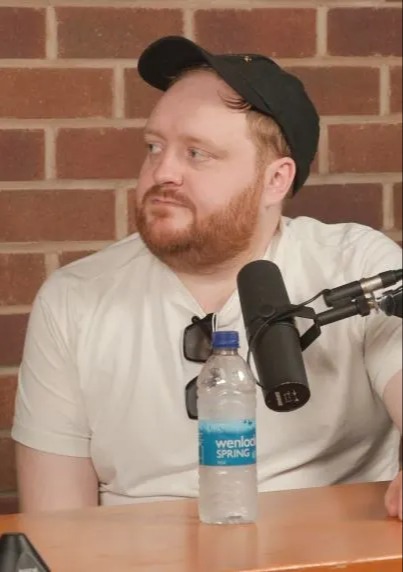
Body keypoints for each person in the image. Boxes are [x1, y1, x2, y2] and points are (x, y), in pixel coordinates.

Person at [12, 36, 402, 518]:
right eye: (154, 147)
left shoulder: (357, 268)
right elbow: (56, 530)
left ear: (275, 180)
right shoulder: (74, 299)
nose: (162, 172)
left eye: (197, 153)